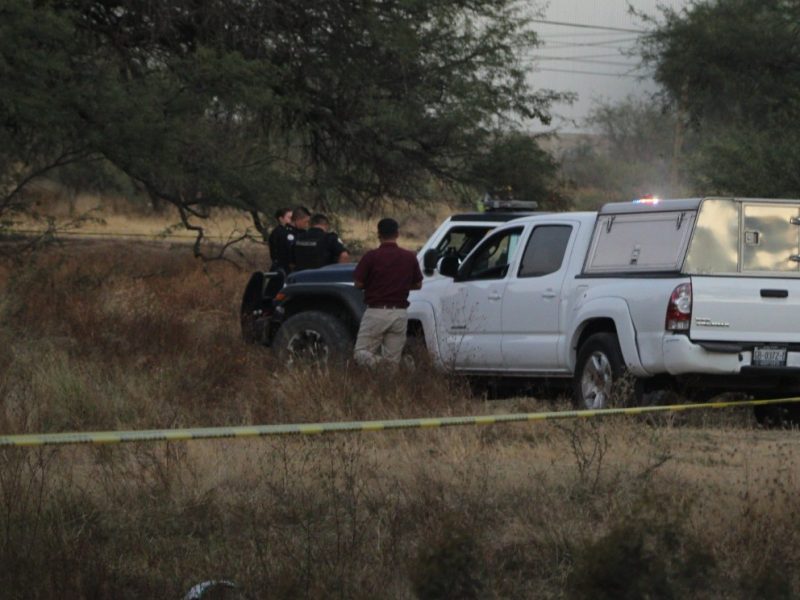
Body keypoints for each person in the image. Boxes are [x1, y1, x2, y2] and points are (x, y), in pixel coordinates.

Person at [353, 218, 423, 367]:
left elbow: (358, 283)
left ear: (379, 235)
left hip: (376, 312)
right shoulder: (409, 257)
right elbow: (418, 284)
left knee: (360, 353)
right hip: (399, 314)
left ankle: (381, 364)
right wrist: (400, 286)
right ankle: (390, 371)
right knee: (392, 362)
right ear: (397, 234)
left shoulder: (371, 256)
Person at [267, 207, 293, 272]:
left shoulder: (292, 230)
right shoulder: (277, 233)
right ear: (281, 219)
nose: (292, 219)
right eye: (289, 217)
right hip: (281, 267)